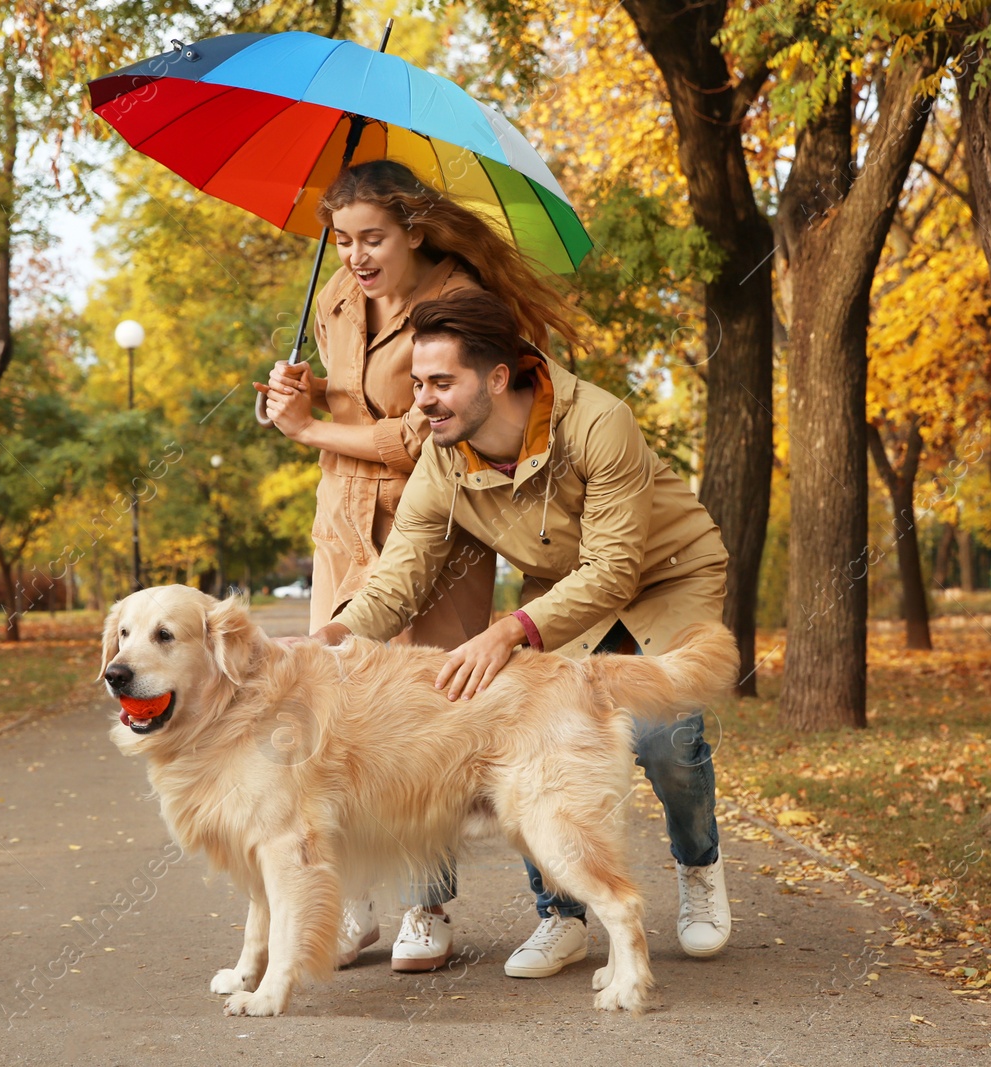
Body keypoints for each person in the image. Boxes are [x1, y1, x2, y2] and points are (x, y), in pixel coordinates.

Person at [307, 288, 734, 980]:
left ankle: (699, 863)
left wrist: (507, 632)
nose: (424, 400)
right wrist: (338, 636)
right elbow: (402, 574)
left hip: (664, 575)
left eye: (441, 382)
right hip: (557, 594)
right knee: (528, 736)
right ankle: (561, 915)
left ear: (497, 378)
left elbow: (615, 568)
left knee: (664, 741)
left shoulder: (599, 420)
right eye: (418, 383)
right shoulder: (444, 459)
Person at [258, 160, 583, 974]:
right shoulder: (336, 300)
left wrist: (306, 433)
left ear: (414, 230)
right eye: (341, 241)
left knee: (432, 713)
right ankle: (350, 905)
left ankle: (427, 904)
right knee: (334, 705)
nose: (356, 257)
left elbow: (418, 435)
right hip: (344, 522)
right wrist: (302, 393)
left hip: (434, 520)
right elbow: (351, 402)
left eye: (373, 239)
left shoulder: (457, 304)